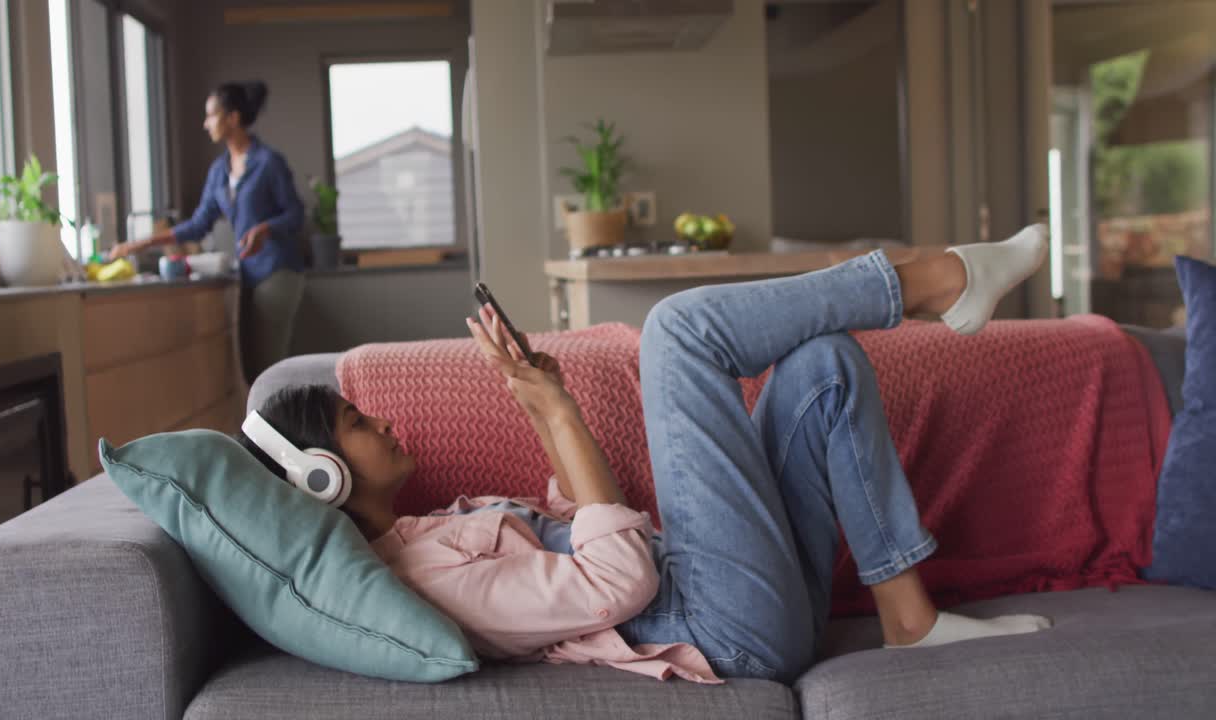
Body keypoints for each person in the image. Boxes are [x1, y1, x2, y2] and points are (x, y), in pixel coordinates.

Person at [238, 226, 1054, 685]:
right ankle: (938, 278)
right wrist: (557, 410)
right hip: (724, 629)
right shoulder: (422, 582)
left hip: (749, 597)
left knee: (821, 367)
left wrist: (548, 408)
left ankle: (907, 618)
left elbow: (590, 531)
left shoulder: (428, 533)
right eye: (353, 423)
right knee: (678, 332)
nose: (377, 422)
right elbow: (620, 581)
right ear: (322, 477)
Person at [111, 81, 305, 382]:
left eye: (211, 115)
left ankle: (270, 429)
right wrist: (142, 243)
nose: (205, 123)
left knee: (267, 367)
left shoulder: (269, 163)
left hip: (278, 273)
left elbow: (295, 214)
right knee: (248, 368)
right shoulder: (219, 172)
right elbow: (198, 224)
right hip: (248, 275)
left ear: (233, 118)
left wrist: (264, 229)